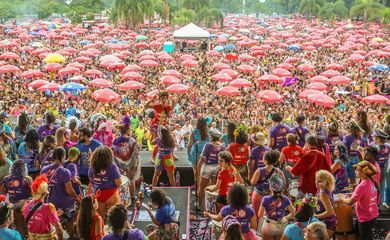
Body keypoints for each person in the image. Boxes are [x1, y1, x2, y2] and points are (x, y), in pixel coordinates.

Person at [40, 147, 80, 236]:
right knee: (70, 221)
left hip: (49, 203)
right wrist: (77, 198)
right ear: (63, 156)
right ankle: (71, 236)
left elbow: (42, 188)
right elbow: (70, 191)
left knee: (52, 224)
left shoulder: (44, 169)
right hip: (64, 203)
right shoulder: (65, 171)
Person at [339, 161, 379, 239]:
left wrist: (342, 198)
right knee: (361, 235)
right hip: (372, 214)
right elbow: (365, 195)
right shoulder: (372, 181)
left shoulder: (362, 185)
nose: (355, 171)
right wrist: (353, 195)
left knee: (366, 237)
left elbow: (350, 202)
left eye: (357, 170)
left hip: (365, 217)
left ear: (364, 173)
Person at [22, 175, 64, 240]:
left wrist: (53, 214)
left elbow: (34, 217)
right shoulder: (48, 207)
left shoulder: (26, 204)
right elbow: (58, 228)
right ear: (45, 193)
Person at [112, 116, 141, 204]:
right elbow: (136, 154)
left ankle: (121, 198)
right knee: (131, 180)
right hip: (130, 165)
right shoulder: (132, 140)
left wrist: (118, 164)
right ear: (128, 130)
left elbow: (113, 153)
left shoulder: (115, 140)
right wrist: (133, 166)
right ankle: (132, 198)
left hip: (119, 165)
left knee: (121, 182)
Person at [251, 150, 285, 222]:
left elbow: (253, 182)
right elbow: (283, 183)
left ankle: (257, 230)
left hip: (258, 195)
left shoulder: (259, 170)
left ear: (265, 160)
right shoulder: (278, 171)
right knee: (270, 216)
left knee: (257, 215)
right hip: (272, 196)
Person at [88, 146, 122, 219]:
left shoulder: (92, 166)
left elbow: (91, 178)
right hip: (111, 194)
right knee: (116, 217)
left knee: (100, 219)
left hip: (98, 194)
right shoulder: (112, 166)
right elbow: (118, 183)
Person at [258, 174, 295, 240]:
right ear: (282, 188)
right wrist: (286, 217)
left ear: (270, 187)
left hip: (268, 226)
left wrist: (266, 215)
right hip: (281, 226)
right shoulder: (285, 199)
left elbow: (260, 215)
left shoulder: (265, 199)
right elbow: (293, 213)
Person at [196, 129, 225, 209]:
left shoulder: (208, 145)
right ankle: (212, 206)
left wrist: (198, 169)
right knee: (214, 187)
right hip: (217, 167)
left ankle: (199, 204)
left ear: (212, 136)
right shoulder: (222, 146)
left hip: (207, 167)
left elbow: (202, 159)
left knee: (201, 187)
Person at [314, 170, 336, 237]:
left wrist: (315, 216)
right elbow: (333, 205)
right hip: (330, 222)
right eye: (316, 179)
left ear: (325, 182)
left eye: (319, 181)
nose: (316, 182)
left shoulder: (323, 193)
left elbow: (330, 212)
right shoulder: (326, 189)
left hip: (327, 223)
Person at [372, 129, 390, 208]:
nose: (373, 139)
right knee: (382, 185)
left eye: (374, 137)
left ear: (378, 138)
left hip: (376, 169)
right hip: (384, 168)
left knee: (375, 186)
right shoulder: (387, 146)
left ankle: (376, 202)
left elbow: (372, 159)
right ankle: (381, 201)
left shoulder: (376, 148)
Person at [187, 117, 209, 184]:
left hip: (195, 153)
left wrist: (189, 153)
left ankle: (198, 188)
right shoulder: (207, 133)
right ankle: (203, 187)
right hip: (205, 153)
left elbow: (189, 145)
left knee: (196, 171)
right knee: (204, 172)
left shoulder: (194, 132)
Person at [343, 121, 364, 185]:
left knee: (351, 178)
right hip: (358, 159)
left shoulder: (347, 137)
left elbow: (344, 148)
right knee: (357, 177)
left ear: (349, 129)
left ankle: (353, 191)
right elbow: (363, 147)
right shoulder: (360, 137)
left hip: (349, 159)